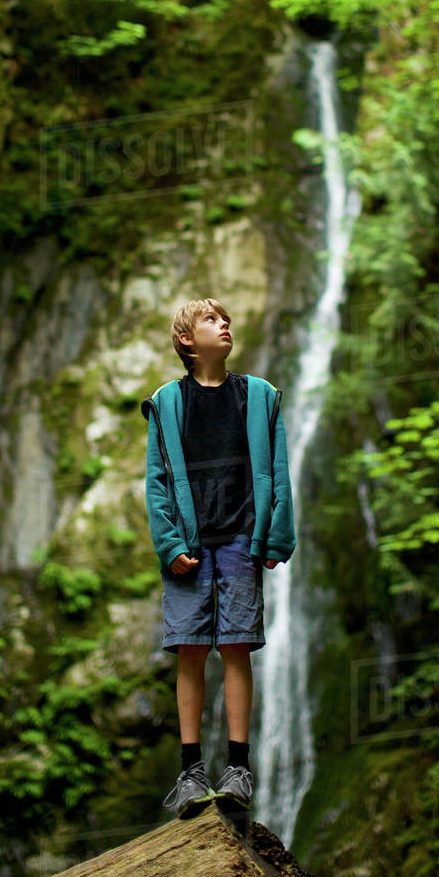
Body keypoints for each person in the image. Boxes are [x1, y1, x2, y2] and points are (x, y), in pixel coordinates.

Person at [140, 297, 296, 819]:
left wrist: (277, 539)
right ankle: (190, 773)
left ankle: (238, 768)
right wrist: (169, 544)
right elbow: (156, 482)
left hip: (240, 538)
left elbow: (278, 469)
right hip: (188, 543)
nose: (224, 324)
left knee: (236, 646)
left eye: (225, 319)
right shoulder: (166, 402)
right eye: (210, 320)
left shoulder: (258, 396)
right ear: (186, 340)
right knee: (189, 648)